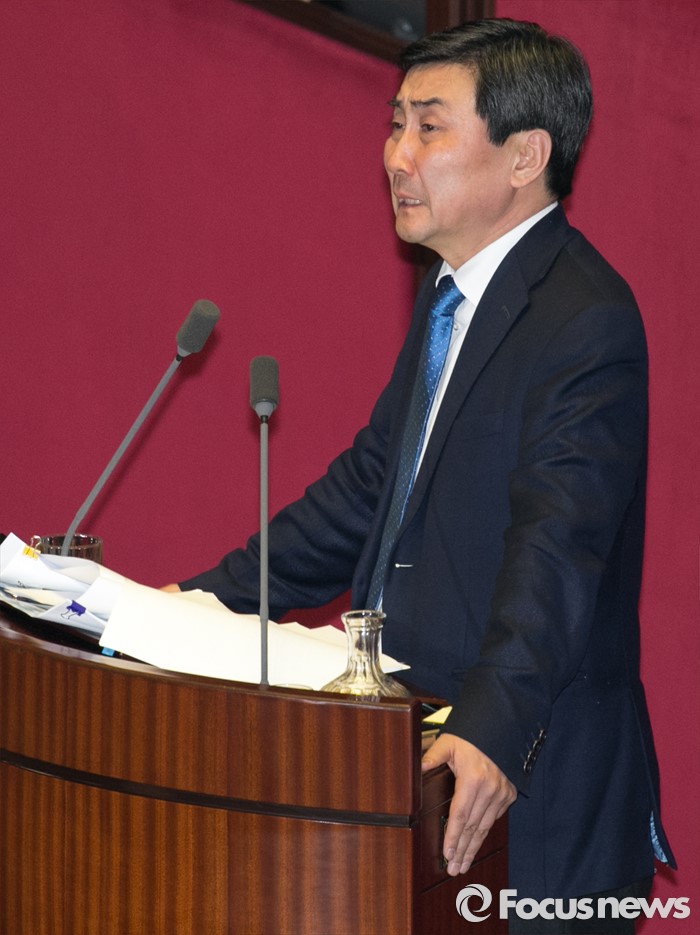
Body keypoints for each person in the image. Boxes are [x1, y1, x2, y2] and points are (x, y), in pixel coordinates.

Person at [164, 19, 674, 932]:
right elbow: (368, 495)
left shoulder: (584, 321)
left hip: (530, 796)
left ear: (525, 156)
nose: (396, 155)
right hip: (407, 765)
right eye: (396, 123)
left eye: (429, 127)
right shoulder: (454, 293)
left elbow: (559, 551)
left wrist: (491, 726)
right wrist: (195, 607)